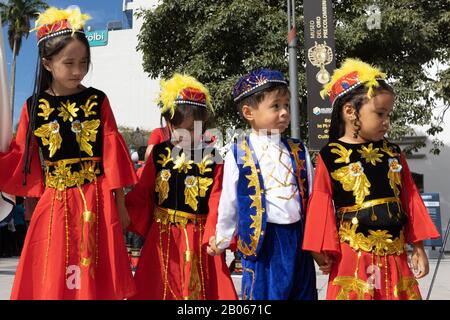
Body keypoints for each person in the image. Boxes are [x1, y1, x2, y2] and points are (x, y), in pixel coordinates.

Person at [0, 7, 137, 299]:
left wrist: (121, 205)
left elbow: (112, 156)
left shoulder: (98, 100)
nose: (78, 71)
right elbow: (24, 158)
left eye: (84, 62)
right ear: (48, 64)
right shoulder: (32, 107)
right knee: (53, 270)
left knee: (92, 268)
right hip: (54, 201)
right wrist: (33, 206)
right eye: (69, 63)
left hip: (97, 199)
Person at [302, 58, 441, 300]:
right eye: (379, 113)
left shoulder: (393, 153)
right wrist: (319, 250)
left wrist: (418, 247)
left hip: (396, 256)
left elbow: (409, 197)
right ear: (349, 111)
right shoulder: (330, 156)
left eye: (388, 114)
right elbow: (321, 202)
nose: (386, 122)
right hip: (353, 255)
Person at [207, 68, 317, 300]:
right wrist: (223, 238)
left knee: (302, 294)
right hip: (262, 244)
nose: (285, 112)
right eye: (275, 106)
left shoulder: (299, 149)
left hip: (299, 240)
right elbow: (230, 202)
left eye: (286, 105)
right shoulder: (237, 153)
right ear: (248, 112)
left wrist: (318, 244)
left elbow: (313, 197)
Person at [125, 73, 237, 300]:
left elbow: (218, 200)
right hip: (162, 239)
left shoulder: (213, 158)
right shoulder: (159, 154)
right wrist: (118, 213)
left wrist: (217, 236)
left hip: (199, 239)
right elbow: (142, 194)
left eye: (193, 129)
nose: (187, 136)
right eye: (180, 130)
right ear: (168, 124)